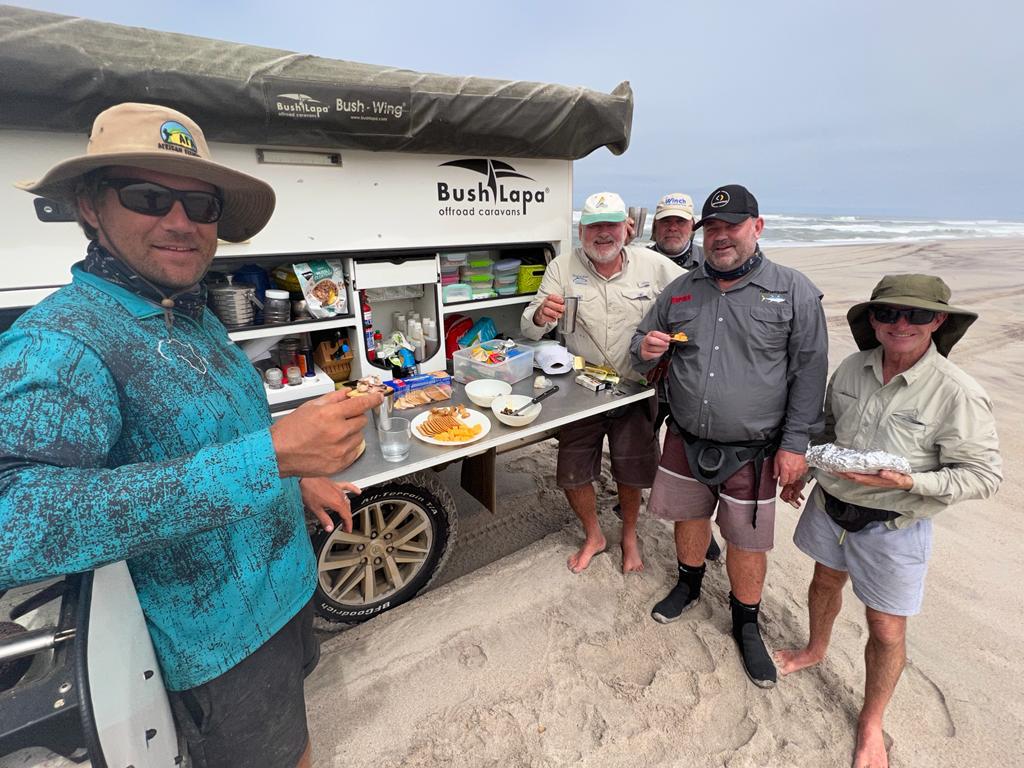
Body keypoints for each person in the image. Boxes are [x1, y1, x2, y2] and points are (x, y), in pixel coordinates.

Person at [0, 103, 382, 768]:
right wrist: (274, 455)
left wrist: (296, 475)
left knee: (296, 732)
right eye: (148, 197)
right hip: (219, 644)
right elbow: (18, 525)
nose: (180, 222)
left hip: (286, 587)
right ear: (91, 205)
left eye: (200, 205)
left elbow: (223, 430)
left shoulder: (185, 310)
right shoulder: (59, 342)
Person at [775, 275, 1001, 768]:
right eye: (889, 313)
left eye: (917, 314)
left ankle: (871, 721)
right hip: (831, 505)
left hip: (895, 523)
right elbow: (830, 433)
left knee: (885, 626)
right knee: (823, 580)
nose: (901, 324)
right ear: (873, 320)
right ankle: (815, 648)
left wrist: (910, 485)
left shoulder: (957, 392)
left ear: (938, 320)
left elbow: (984, 475)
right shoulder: (853, 368)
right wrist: (804, 473)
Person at [631, 184, 828, 688]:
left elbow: (809, 375)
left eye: (731, 226)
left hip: (757, 449)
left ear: (757, 228)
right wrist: (648, 348)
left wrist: (794, 445)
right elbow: (639, 345)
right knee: (688, 517)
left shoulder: (794, 290)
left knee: (745, 541)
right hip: (686, 435)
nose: (720, 237)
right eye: (712, 228)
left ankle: (745, 621)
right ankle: (688, 585)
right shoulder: (679, 289)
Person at [522, 191, 682, 574]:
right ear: (581, 231)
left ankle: (629, 535)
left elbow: (696, 298)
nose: (603, 234)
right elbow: (527, 325)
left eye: (611, 225)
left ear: (626, 228)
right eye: (594, 226)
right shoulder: (563, 266)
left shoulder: (655, 266)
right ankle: (594, 534)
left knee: (632, 471)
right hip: (580, 388)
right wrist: (542, 315)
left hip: (635, 386)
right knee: (572, 471)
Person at [648, 192, 703, 269]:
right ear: (655, 225)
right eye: (666, 221)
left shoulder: (709, 261)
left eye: (680, 221)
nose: (672, 228)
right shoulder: (639, 261)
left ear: (692, 225)